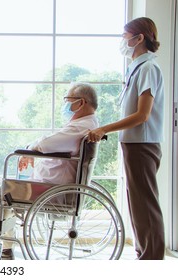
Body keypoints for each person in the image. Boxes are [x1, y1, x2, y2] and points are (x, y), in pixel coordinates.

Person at [0, 83, 99, 259]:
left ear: (81, 103)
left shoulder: (79, 127)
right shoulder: (86, 124)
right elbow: (51, 144)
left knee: (5, 189)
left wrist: (30, 148)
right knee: (8, 195)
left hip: (53, 191)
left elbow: (46, 144)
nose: (65, 105)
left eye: (68, 100)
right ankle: (5, 248)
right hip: (54, 186)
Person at [87, 17, 165, 260]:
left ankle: (152, 259)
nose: (122, 41)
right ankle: (145, 253)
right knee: (138, 203)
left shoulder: (149, 69)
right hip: (134, 143)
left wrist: (104, 129)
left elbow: (142, 115)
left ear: (139, 38)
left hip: (143, 143)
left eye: (124, 36)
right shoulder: (137, 68)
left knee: (145, 204)